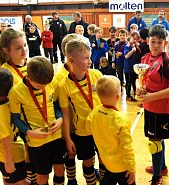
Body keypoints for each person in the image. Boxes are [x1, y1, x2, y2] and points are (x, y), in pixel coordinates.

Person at [9, 56, 66, 185]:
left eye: (46, 85)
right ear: (28, 77)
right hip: (37, 142)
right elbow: (15, 118)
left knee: (60, 169)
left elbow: (55, 104)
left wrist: (60, 118)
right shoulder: (16, 92)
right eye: (40, 85)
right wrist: (29, 132)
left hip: (56, 135)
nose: (43, 88)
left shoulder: (51, 82)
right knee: (42, 176)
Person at [136, 24, 169, 184]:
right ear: (148, 40)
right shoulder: (146, 58)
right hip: (149, 105)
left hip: (160, 108)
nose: (155, 45)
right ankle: (161, 167)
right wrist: (141, 90)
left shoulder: (167, 62)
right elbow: (145, 79)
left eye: (159, 43)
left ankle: (157, 177)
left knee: (154, 142)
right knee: (156, 138)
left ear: (165, 44)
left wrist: (151, 97)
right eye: (153, 41)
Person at [59, 38, 103, 185]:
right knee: (88, 161)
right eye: (85, 58)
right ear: (71, 59)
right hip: (82, 132)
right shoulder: (64, 85)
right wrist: (68, 138)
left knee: (104, 159)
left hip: (101, 128)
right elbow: (65, 114)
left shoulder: (97, 75)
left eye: (89, 57)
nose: (89, 61)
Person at [0, 28, 38, 184]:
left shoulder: (34, 65)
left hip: (37, 121)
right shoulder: (4, 74)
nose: (24, 50)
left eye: (25, 45)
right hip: (19, 127)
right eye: (18, 48)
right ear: (7, 51)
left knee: (34, 164)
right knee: (20, 168)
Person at [53, 33, 89, 185]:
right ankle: (72, 179)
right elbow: (56, 104)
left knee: (86, 155)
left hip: (84, 125)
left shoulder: (85, 71)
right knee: (70, 155)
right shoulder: (61, 78)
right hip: (70, 126)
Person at [87, 75, 136, 185]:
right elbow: (127, 147)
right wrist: (132, 168)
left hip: (107, 163)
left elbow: (89, 128)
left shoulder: (94, 113)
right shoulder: (121, 120)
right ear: (118, 97)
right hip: (123, 167)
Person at [0, 68, 29, 185]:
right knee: (8, 180)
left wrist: (9, 161)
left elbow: (6, 138)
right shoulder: (10, 102)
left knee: (21, 181)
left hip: (10, 155)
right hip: (14, 151)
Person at [124, 31, 141, 102]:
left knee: (134, 82)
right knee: (128, 82)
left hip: (134, 68)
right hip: (128, 68)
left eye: (136, 39)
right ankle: (128, 96)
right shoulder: (127, 46)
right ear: (130, 37)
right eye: (133, 38)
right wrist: (132, 51)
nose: (135, 40)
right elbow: (126, 56)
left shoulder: (136, 46)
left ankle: (134, 95)